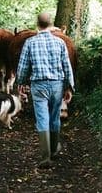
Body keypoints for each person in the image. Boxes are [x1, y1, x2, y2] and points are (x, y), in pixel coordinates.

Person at [16, 12, 74, 167]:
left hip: (38, 85)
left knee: (42, 119)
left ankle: (45, 157)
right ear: (51, 24)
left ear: (37, 24)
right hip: (57, 85)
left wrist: (20, 83)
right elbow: (67, 67)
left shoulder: (30, 42)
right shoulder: (60, 42)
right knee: (54, 118)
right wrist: (69, 87)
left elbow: (22, 67)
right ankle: (54, 150)